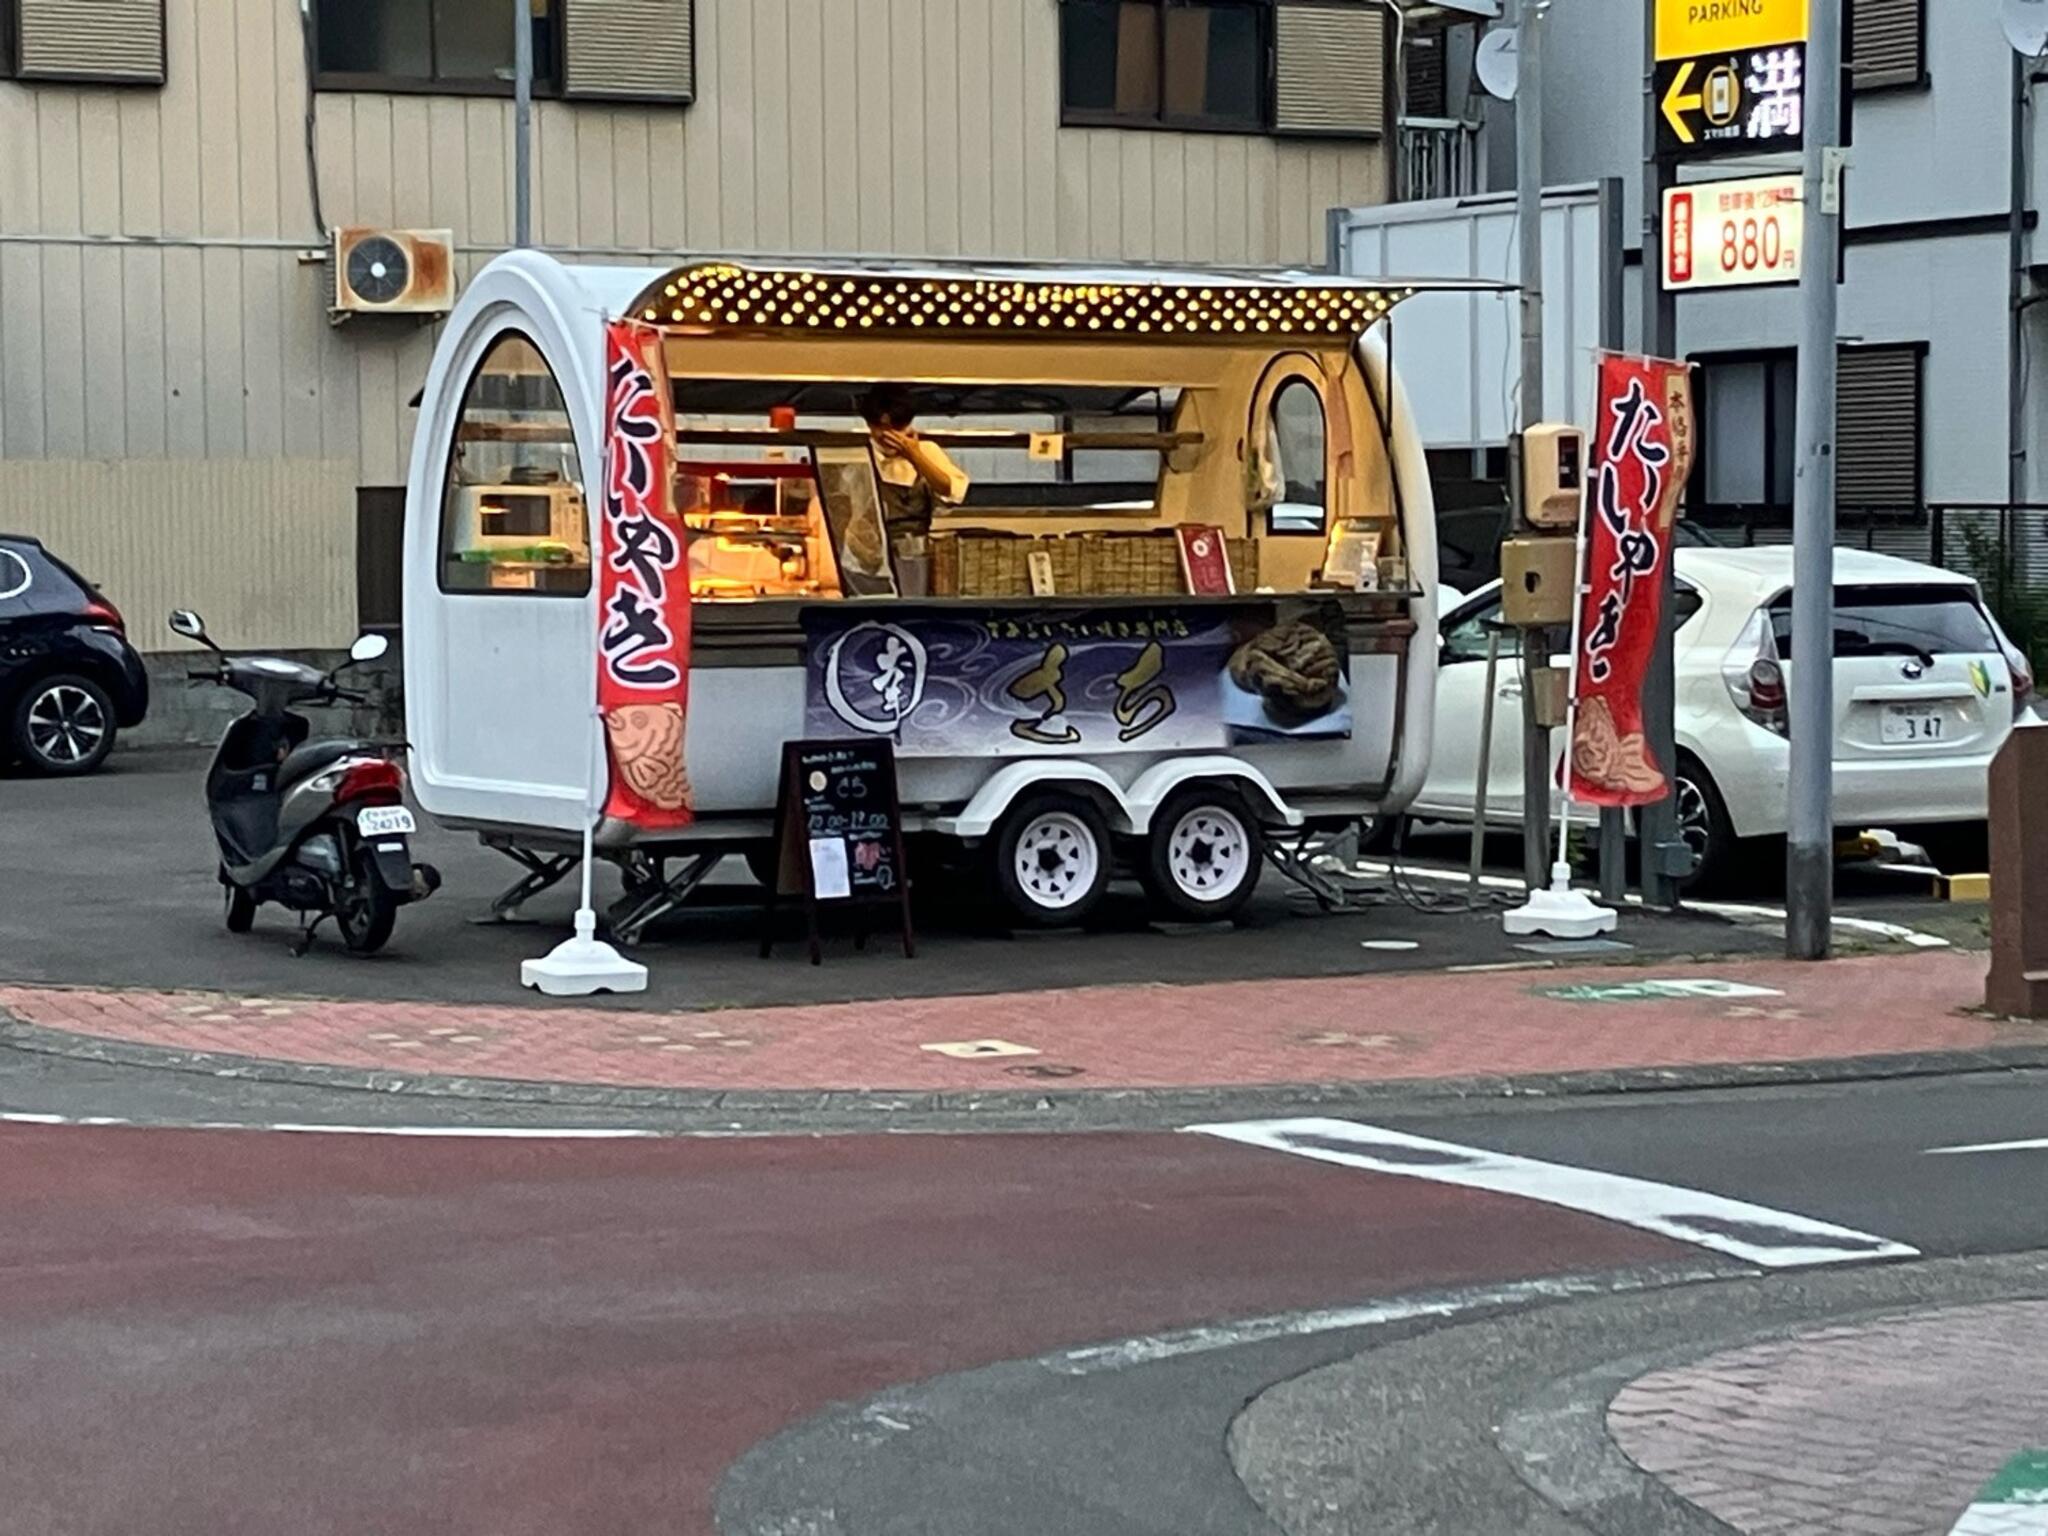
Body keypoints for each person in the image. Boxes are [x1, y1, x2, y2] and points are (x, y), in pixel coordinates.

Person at [861, 383, 970, 565]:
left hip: (915, 554)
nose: (889, 436)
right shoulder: (861, 456)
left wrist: (914, 456)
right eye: (880, 429)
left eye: (897, 429)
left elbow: (952, 491)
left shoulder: (927, 451)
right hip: (869, 556)